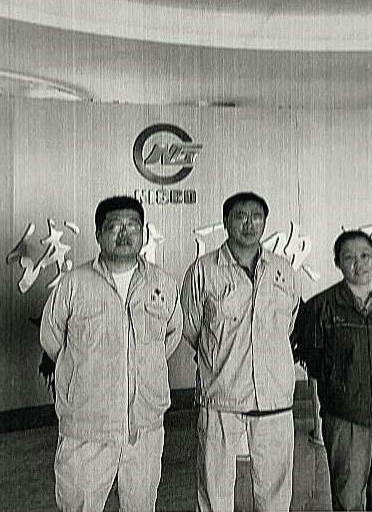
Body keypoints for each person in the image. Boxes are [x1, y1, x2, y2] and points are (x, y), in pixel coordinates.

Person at [40, 195, 182, 512]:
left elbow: (170, 337)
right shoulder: (74, 284)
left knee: (141, 505)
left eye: (133, 225)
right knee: (80, 505)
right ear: (98, 234)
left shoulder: (162, 283)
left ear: (143, 233)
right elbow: (52, 339)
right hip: (87, 426)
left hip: (143, 425)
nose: (124, 233)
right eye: (114, 225)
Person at [181, 191, 302, 511]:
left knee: (276, 492)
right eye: (240, 216)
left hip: (273, 395)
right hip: (221, 395)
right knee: (214, 490)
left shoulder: (282, 270)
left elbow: (288, 324)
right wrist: (223, 358)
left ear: (264, 222)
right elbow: (191, 328)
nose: (249, 223)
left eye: (256, 216)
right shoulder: (203, 270)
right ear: (226, 222)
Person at [293, 230, 372, 511]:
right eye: (349, 257)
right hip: (345, 416)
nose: (359, 264)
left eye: (365, 256)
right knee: (347, 498)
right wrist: (340, 384)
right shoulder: (321, 307)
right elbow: (313, 356)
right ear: (337, 263)